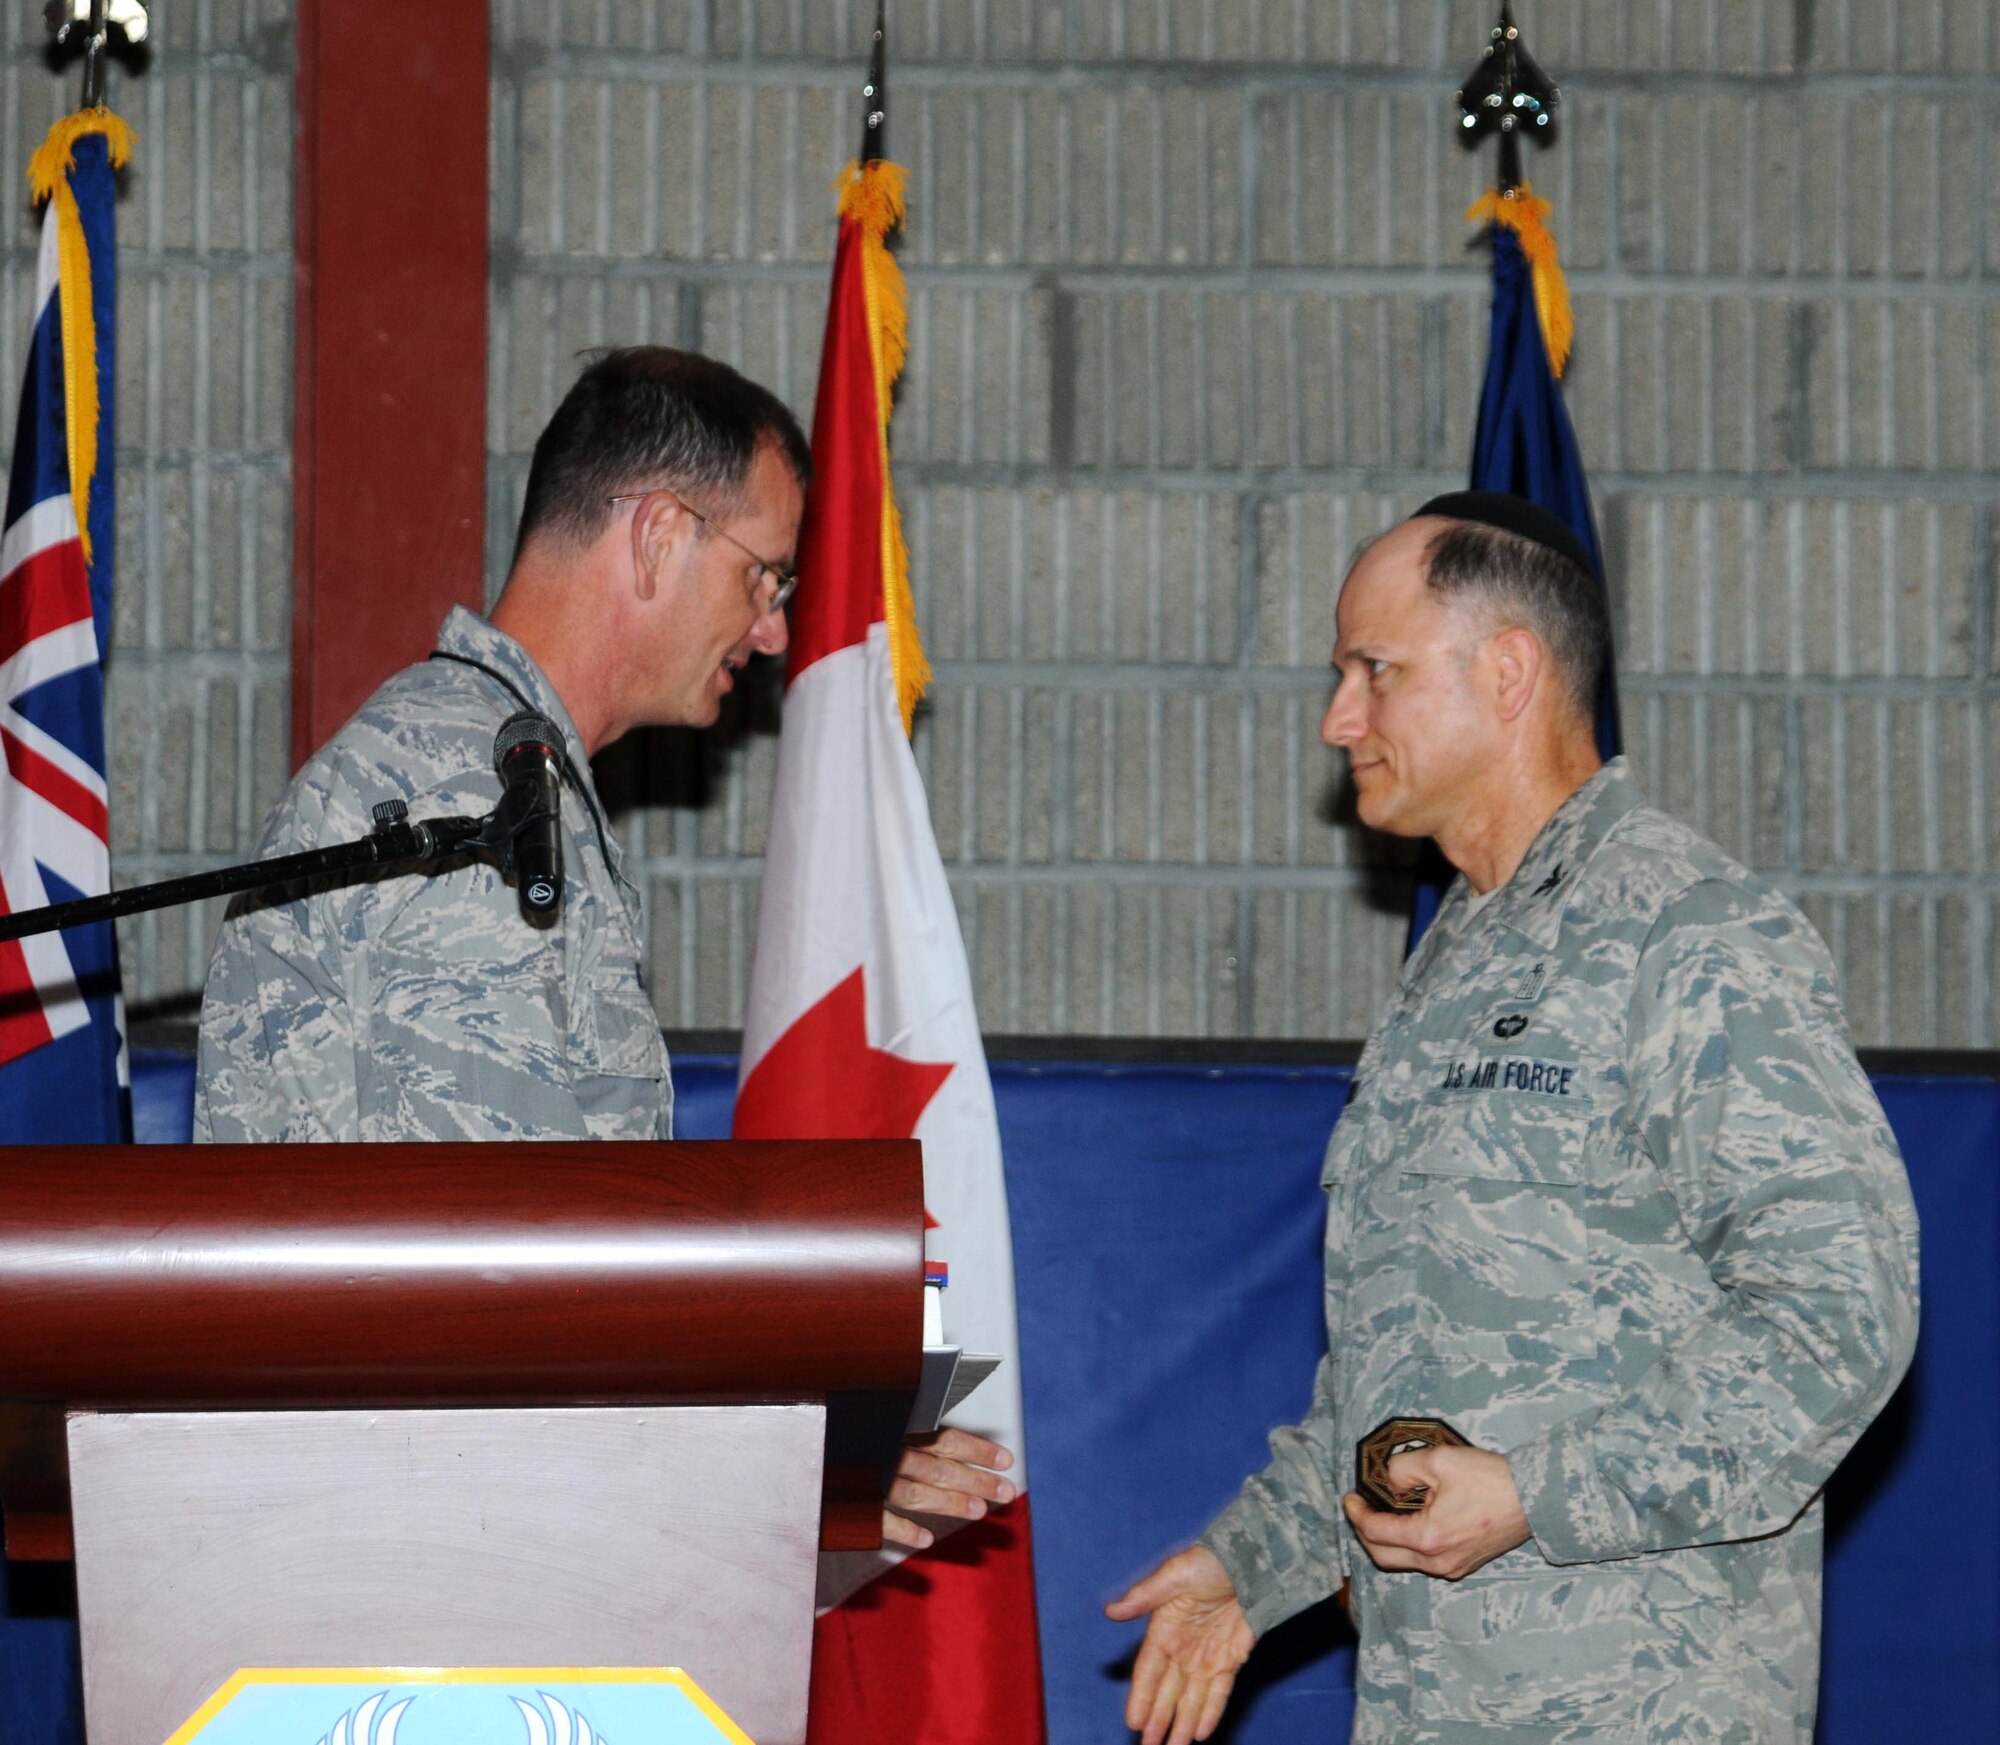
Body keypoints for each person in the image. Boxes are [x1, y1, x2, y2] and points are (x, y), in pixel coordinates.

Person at [1107, 490, 1920, 1745]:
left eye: (1373, 670)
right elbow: (1401, 1373)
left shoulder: (1687, 931)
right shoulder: (1454, 963)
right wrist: (1254, 1563)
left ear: (1506, 672)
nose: (1338, 717)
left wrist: (1543, 1492)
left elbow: (1837, 1314)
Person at [196, 346, 1013, 1549]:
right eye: (766, 576)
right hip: (413, 1557)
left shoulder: (510, 777)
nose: (778, 629)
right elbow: (503, 1293)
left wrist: (820, 1454)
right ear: (657, 534)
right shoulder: (464, 792)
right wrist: (808, 1458)